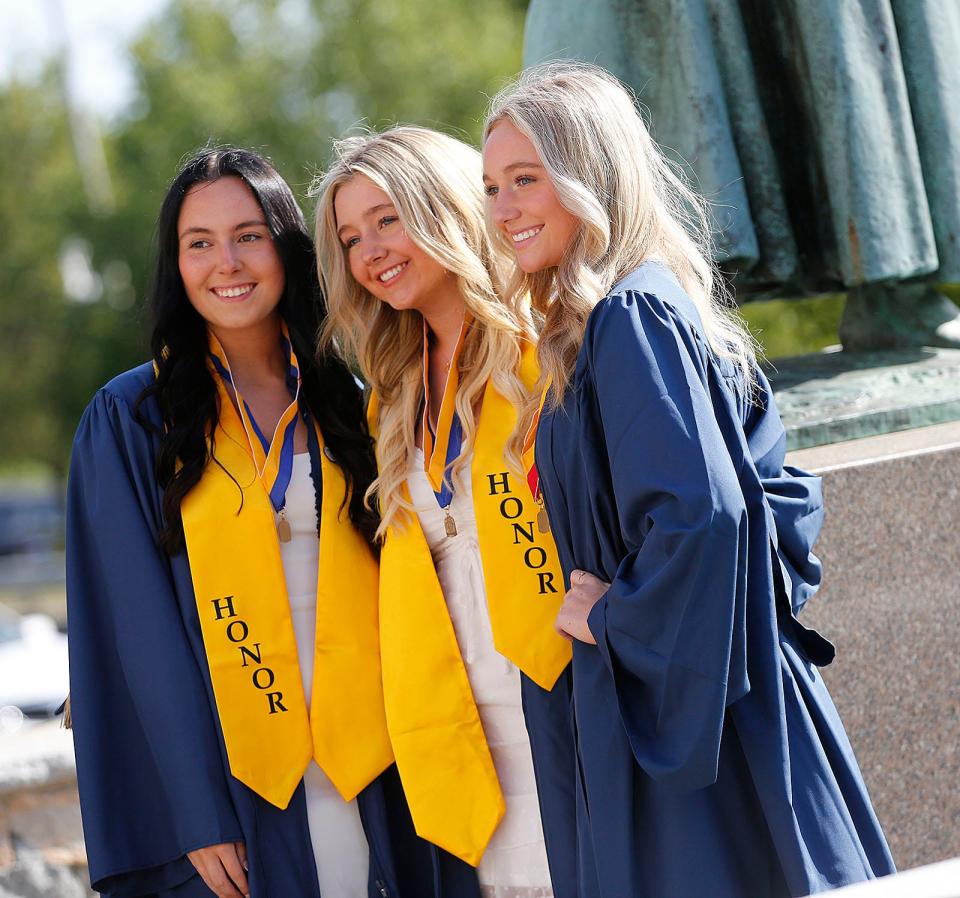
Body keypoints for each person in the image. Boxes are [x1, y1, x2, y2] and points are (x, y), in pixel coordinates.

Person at [481, 62, 897, 898]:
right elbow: (767, 497)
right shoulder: (637, 310)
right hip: (721, 698)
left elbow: (705, 518)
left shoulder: (629, 317)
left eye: (526, 180)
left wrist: (612, 616)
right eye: (492, 187)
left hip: (695, 738)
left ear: (590, 174)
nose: (502, 210)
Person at [67, 146, 439, 898]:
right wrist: (197, 813)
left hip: (372, 763)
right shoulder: (133, 420)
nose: (225, 263)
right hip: (238, 782)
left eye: (248, 236)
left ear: (286, 248)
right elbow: (137, 632)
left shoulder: (352, 402)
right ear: (176, 265)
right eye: (198, 243)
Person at [313, 126, 574, 898]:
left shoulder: (549, 347)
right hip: (465, 729)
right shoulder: (392, 396)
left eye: (387, 218)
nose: (369, 251)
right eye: (351, 237)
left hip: (561, 708)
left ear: (444, 205)